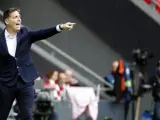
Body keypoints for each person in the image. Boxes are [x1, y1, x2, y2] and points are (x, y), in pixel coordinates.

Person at [0, 7, 75, 120]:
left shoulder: (25, 33)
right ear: (6, 21)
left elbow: (42, 33)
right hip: (6, 84)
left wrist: (60, 27)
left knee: (27, 116)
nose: (19, 19)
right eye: (15, 17)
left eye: (20, 17)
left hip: (25, 82)